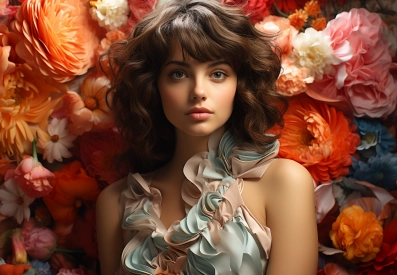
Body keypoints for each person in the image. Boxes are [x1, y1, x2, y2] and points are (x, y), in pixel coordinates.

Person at [96, 0, 318, 274]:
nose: (198, 90)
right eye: (178, 74)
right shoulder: (114, 204)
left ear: (240, 83)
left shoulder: (285, 183)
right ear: (153, 85)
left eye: (217, 73)